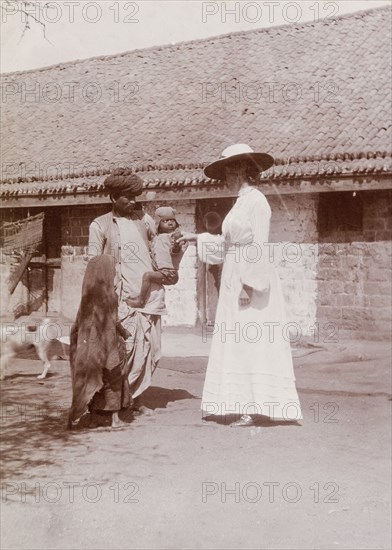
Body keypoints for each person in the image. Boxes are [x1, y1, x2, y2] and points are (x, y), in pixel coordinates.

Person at [178, 144, 303, 427]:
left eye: (229, 171)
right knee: (237, 338)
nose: (225, 177)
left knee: (251, 337)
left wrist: (250, 285)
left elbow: (259, 245)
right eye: (224, 171)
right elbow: (226, 244)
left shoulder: (257, 201)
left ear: (241, 171)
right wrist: (195, 238)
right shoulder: (240, 202)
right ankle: (238, 401)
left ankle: (255, 406)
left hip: (250, 278)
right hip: (235, 273)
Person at [88, 169, 166, 415]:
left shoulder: (144, 219)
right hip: (121, 298)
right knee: (127, 348)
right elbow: (94, 264)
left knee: (151, 348)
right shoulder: (100, 225)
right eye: (127, 197)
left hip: (149, 294)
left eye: (135, 196)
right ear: (113, 197)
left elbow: (160, 245)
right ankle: (122, 401)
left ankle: (137, 398)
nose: (133, 201)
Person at [68, 254, 130, 429]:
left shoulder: (87, 296)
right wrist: (124, 333)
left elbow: (79, 320)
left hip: (91, 348)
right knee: (113, 379)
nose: (115, 273)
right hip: (109, 345)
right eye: (113, 270)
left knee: (93, 377)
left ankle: (94, 418)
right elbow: (114, 320)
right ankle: (115, 419)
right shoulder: (110, 296)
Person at [126, 206, 186, 308]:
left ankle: (141, 301)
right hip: (162, 271)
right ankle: (141, 294)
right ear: (159, 224)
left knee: (147, 276)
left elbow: (175, 251)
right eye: (165, 221)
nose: (170, 223)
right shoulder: (158, 238)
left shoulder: (175, 236)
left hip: (169, 274)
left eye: (172, 220)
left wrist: (176, 245)